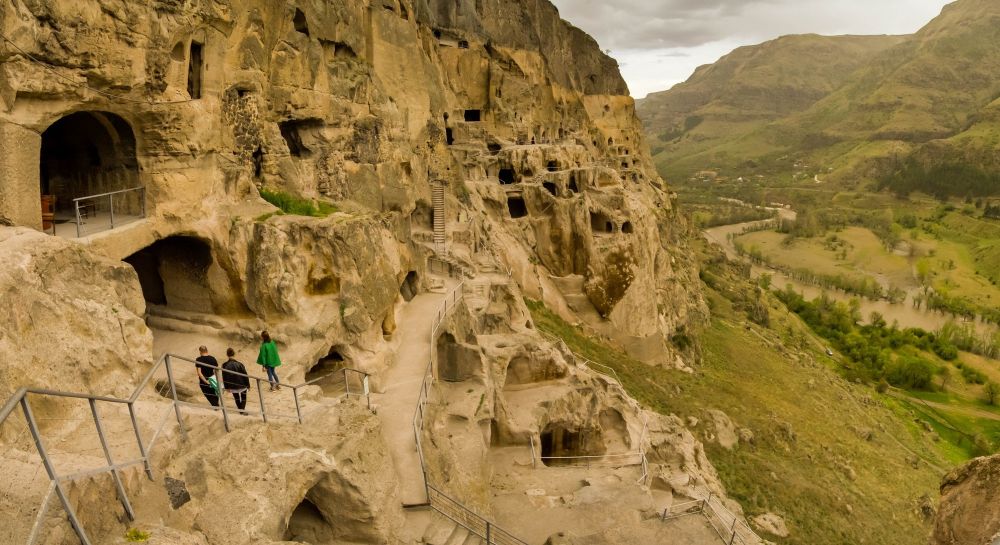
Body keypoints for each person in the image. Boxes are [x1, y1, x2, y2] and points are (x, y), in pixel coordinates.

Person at [221, 348, 251, 414]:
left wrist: (226, 387)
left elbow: (224, 377)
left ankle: (241, 410)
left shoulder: (224, 365)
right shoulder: (240, 364)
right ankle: (242, 411)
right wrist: (248, 385)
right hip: (242, 384)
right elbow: (245, 375)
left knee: (236, 398)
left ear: (227, 355)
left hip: (232, 385)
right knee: (243, 397)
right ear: (234, 354)